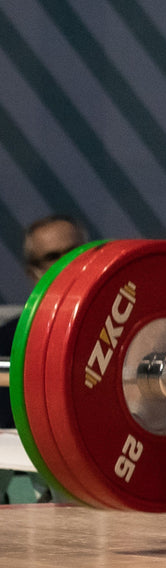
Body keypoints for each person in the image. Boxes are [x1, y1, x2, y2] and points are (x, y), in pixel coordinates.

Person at [0, 214, 89, 502]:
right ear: (32, 271)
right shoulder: (6, 341)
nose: (66, 262)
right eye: (53, 256)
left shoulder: (133, 329)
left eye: (74, 251)